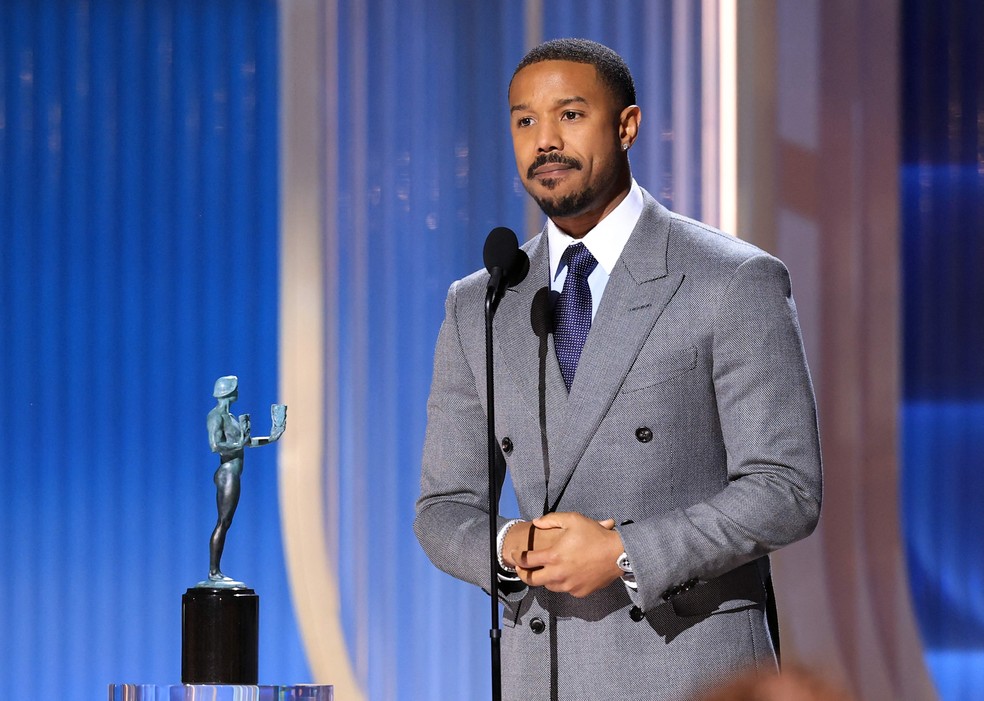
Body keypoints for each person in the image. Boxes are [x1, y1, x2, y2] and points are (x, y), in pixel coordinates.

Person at [414, 38, 822, 700]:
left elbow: (786, 488)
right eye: (525, 121)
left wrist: (626, 552)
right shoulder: (480, 303)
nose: (544, 140)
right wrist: (510, 543)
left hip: (692, 668)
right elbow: (443, 507)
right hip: (541, 674)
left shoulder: (731, 278)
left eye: (569, 115)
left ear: (627, 126)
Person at [204, 375, 286, 585]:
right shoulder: (216, 416)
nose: (238, 391)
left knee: (226, 522)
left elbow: (246, 443)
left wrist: (272, 436)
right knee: (223, 521)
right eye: (236, 389)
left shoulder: (230, 417)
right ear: (228, 392)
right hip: (227, 472)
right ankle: (214, 572)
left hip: (233, 472)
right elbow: (215, 445)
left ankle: (215, 571)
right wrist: (239, 443)